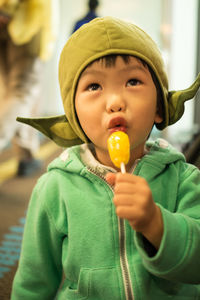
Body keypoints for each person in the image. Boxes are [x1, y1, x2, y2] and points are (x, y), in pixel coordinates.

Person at [11, 17, 200, 299]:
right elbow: (33, 281)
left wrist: (156, 224)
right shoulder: (54, 189)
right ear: (74, 117)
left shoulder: (183, 178)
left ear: (159, 107)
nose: (114, 102)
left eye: (133, 81)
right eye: (94, 87)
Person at [0, 0, 59, 176]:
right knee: (21, 94)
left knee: (9, 95)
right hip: (26, 22)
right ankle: (25, 154)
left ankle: (25, 155)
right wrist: (7, 7)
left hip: (9, 22)